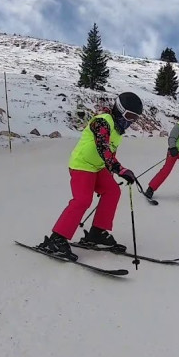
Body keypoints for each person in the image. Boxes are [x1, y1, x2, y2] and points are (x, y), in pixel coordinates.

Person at [37, 92, 142, 260]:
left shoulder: (117, 130)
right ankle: (56, 239)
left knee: (113, 191)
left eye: (135, 118)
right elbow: (102, 147)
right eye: (129, 116)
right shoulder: (102, 121)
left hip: (98, 167)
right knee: (83, 200)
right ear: (120, 109)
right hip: (82, 165)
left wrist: (119, 169)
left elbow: (110, 154)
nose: (130, 121)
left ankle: (97, 232)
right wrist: (119, 169)